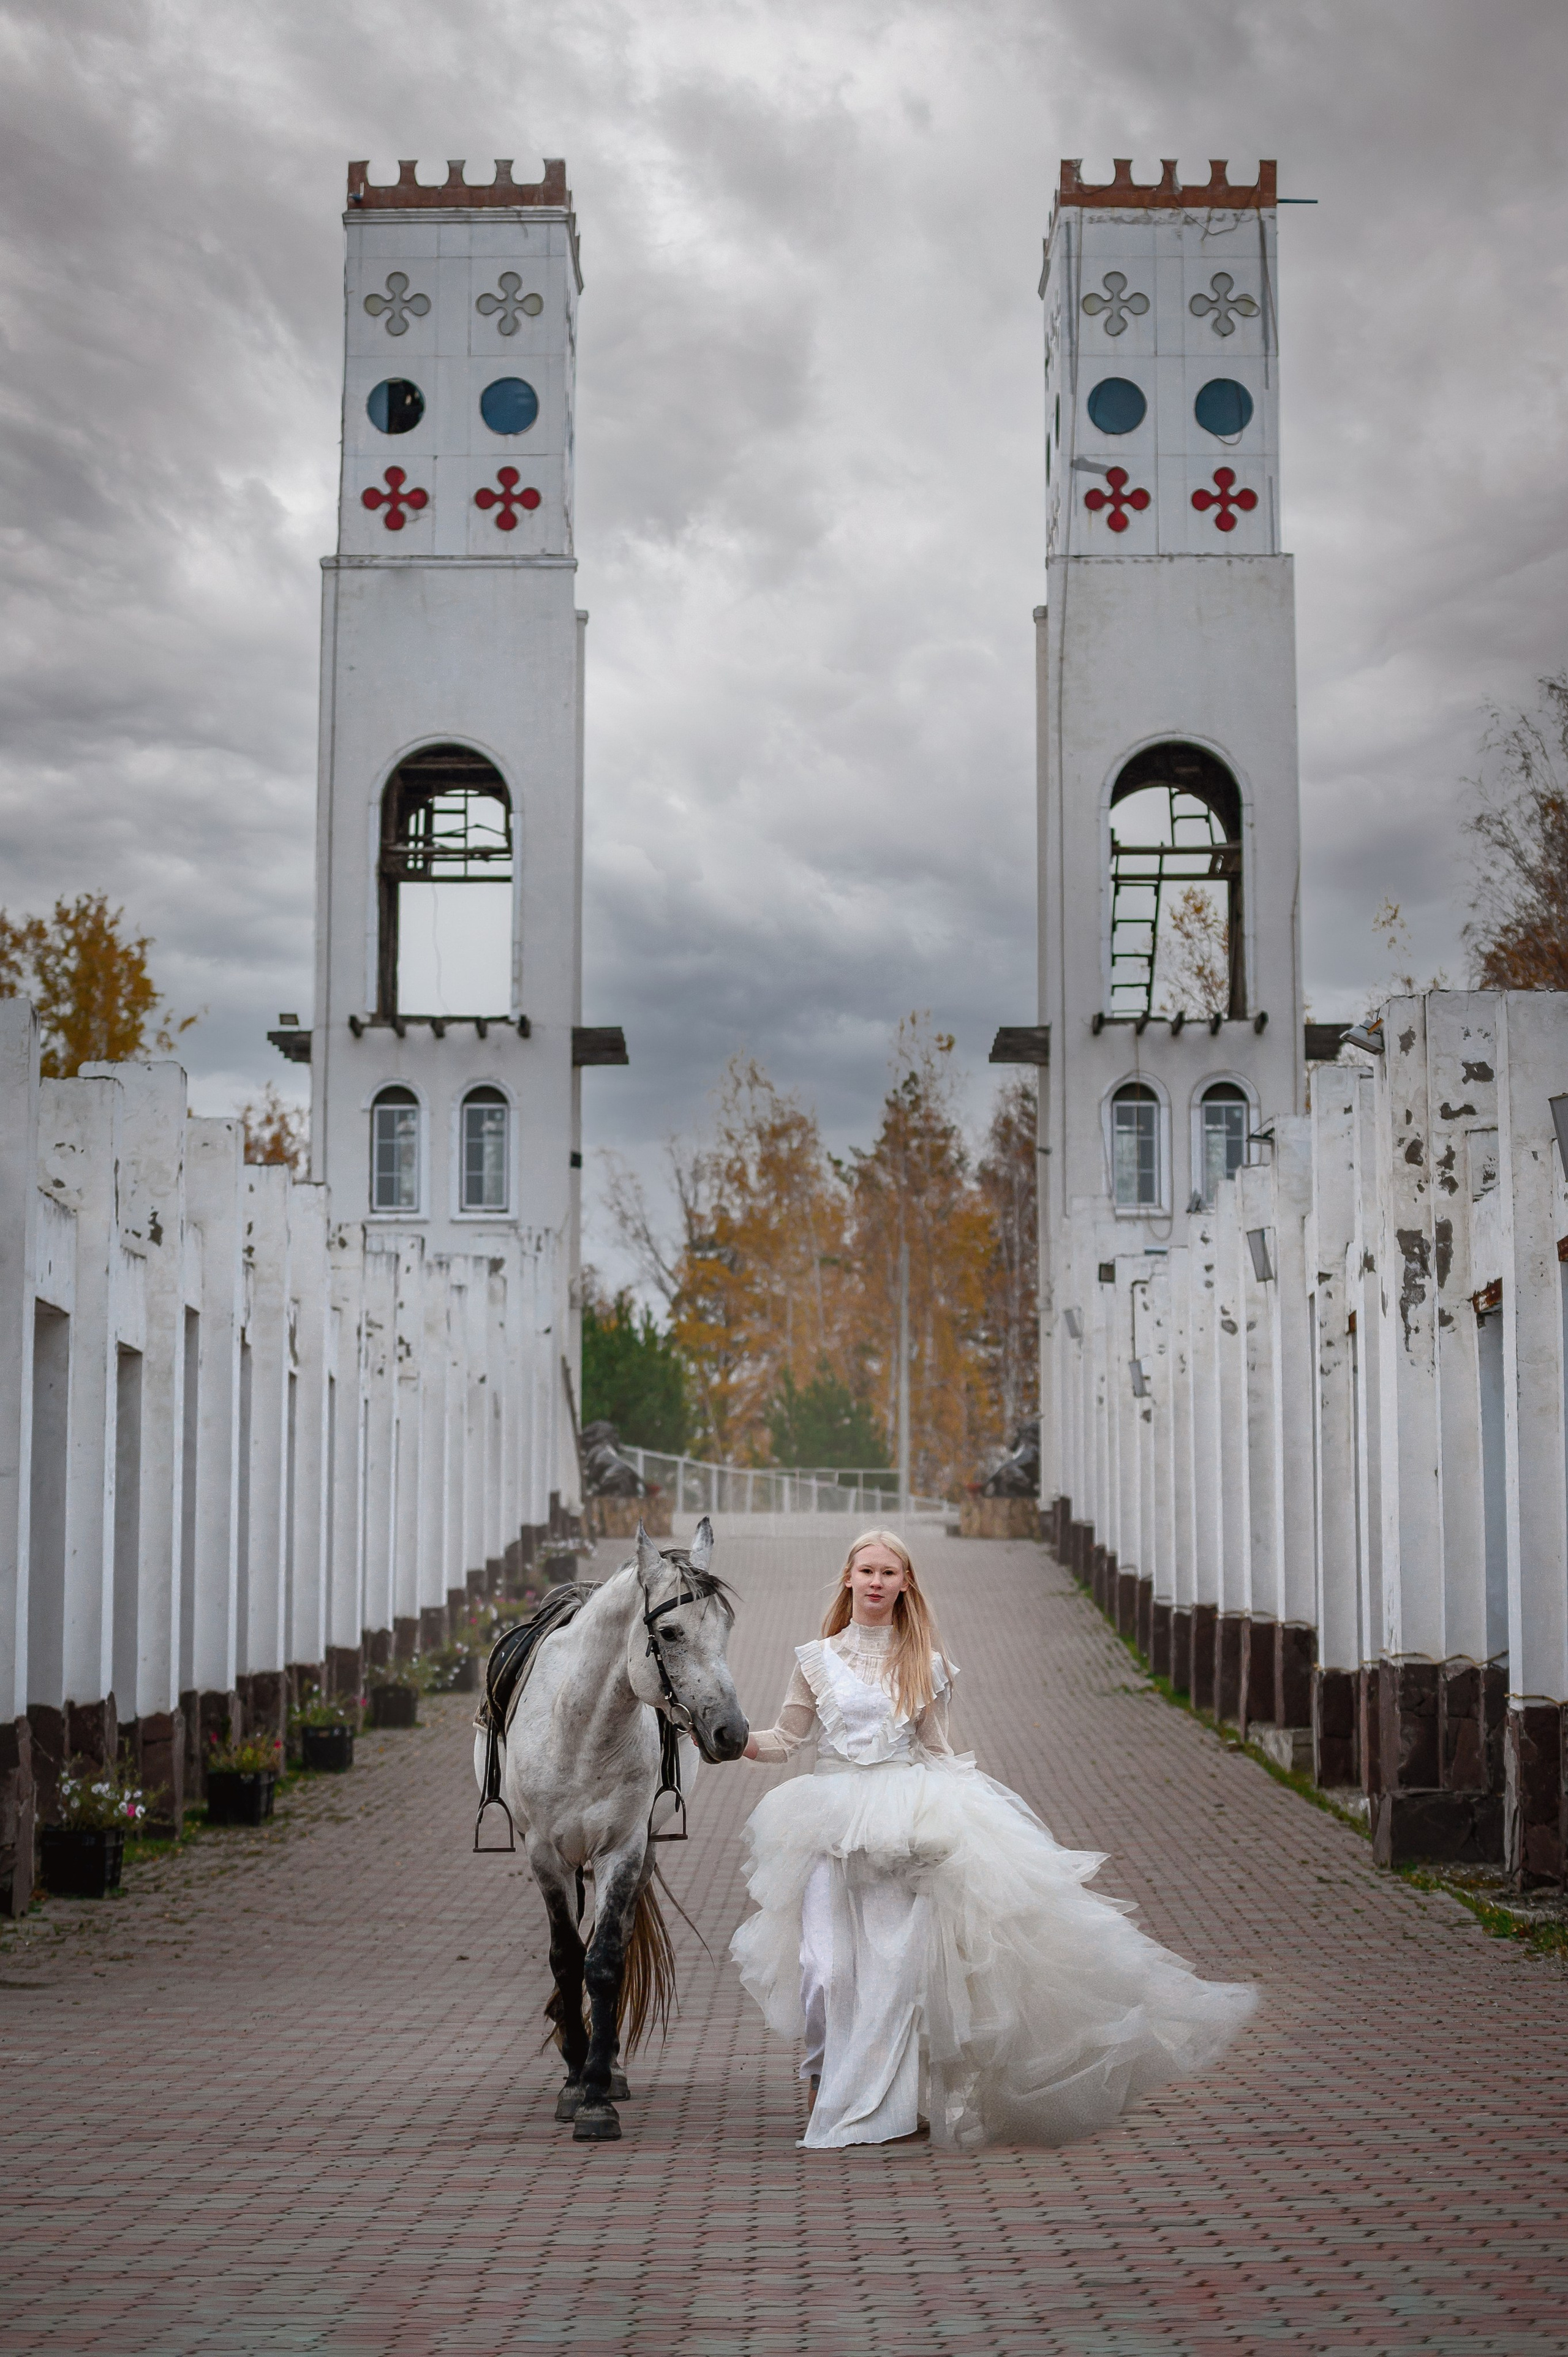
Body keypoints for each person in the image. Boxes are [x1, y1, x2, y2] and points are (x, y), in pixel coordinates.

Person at [729, 1529, 1256, 2151]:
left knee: (895, 1971)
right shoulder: (816, 1659)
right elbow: (787, 1739)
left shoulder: (923, 1663)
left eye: (888, 1572)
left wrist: (969, 1819)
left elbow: (936, 1750)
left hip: (904, 1826)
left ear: (905, 1584)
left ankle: (885, 2105)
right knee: (824, 1967)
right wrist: (730, 1738)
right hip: (827, 1821)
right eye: (866, 1570)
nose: (875, 1581)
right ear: (848, 1577)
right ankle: (823, 2072)